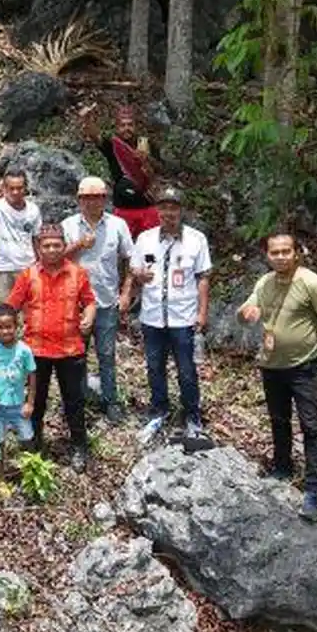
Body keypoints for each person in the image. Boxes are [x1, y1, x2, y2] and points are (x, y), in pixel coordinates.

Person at [237, 231, 317, 522]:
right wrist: (246, 314)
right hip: (271, 365)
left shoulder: (311, 283)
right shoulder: (265, 283)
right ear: (267, 256)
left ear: (296, 253)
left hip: (304, 366)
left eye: (286, 251)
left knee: (311, 427)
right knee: (279, 420)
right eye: (275, 252)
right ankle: (282, 467)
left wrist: (309, 340)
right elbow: (246, 310)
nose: (281, 257)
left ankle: (312, 490)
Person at [121, 188, 212, 441]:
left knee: (186, 369)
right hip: (152, 316)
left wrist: (202, 313)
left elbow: (203, 278)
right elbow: (134, 270)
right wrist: (135, 281)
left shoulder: (196, 239)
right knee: (154, 367)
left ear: (181, 210)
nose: (168, 213)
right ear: (157, 210)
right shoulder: (145, 239)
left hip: (183, 317)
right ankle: (158, 411)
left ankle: (192, 415)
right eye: (163, 207)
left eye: (173, 207)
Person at [6, 225, 96, 472]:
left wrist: (89, 315)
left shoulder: (78, 273)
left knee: (74, 401)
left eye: (57, 244)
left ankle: (79, 446)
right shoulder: (28, 275)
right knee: (36, 401)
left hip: (71, 349)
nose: (52, 249)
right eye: (47, 245)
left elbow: (89, 302)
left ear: (63, 245)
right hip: (36, 350)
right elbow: (10, 306)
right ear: (38, 247)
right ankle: (34, 447)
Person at [62, 176, 134, 424]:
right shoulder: (68, 225)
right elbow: (54, 258)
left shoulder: (117, 225)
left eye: (97, 197)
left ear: (105, 198)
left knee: (106, 354)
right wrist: (78, 245)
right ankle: (77, 400)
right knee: (75, 355)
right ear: (79, 199)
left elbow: (130, 261)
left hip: (106, 302)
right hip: (74, 303)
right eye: (86, 197)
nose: (91, 202)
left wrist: (125, 294)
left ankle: (110, 400)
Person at [0, 167, 42, 301]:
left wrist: (40, 264)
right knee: (4, 312)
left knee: (29, 310)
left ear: (26, 188)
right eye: (11, 188)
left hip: (28, 267)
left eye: (19, 188)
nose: (15, 192)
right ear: (4, 188)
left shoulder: (33, 210)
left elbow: (36, 238)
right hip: (3, 268)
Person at [0, 304, 37, 479]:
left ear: (16, 327)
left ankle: (30, 474)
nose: (5, 331)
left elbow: (32, 376)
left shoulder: (24, 350)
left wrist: (29, 402)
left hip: (18, 406)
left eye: (9, 327)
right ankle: (0, 476)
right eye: (0, 327)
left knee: (27, 439)